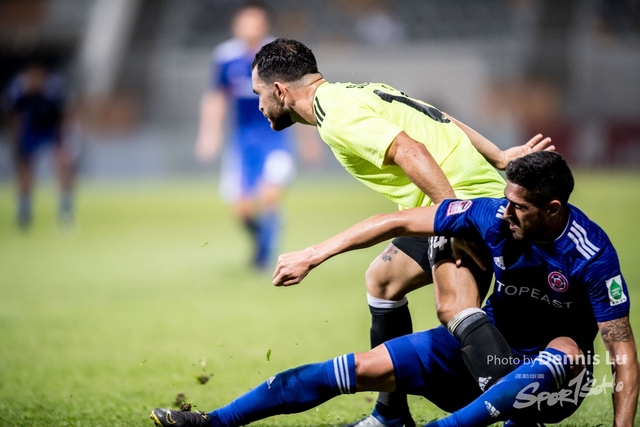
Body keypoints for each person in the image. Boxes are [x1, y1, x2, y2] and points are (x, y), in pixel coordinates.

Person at [150, 152, 638, 427]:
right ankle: (214, 422)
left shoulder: (591, 254)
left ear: (553, 209)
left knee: (567, 347)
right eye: (507, 201)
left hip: (552, 390)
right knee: (359, 367)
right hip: (482, 358)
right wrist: (315, 254)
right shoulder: (492, 214)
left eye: (520, 208)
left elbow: (622, 353)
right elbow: (396, 222)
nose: (506, 212)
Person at [250, 37, 553, 426]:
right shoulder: (355, 92)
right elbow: (436, 115)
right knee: (383, 280)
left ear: (279, 90)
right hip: (447, 199)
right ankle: (390, 414)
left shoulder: (337, 117)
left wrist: (454, 218)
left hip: (461, 200)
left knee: (456, 307)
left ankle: (521, 416)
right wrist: (497, 155)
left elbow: (412, 152)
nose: (259, 105)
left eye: (259, 94)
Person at [195, 3, 321, 270]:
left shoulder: (278, 56)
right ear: (236, 25)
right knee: (241, 210)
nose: (249, 28)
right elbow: (216, 98)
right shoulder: (226, 57)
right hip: (242, 142)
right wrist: (209, 134)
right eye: (245, 22)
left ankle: (264, 259)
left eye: (255, 22)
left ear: (265, 24)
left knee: (269, 196)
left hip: (275, 139)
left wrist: (308, 140)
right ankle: (262, 242)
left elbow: (297, 98)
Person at [2, 62, 75, 229]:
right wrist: (15, 134)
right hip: (30, 130)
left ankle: (65, 207)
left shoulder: (55, 88)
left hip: (52, 128)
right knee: (25, 168)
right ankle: (24, 208)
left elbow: (65, 113)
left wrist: (65, 139)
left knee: (63, 163)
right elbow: (10, 114)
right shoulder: (17, 89)